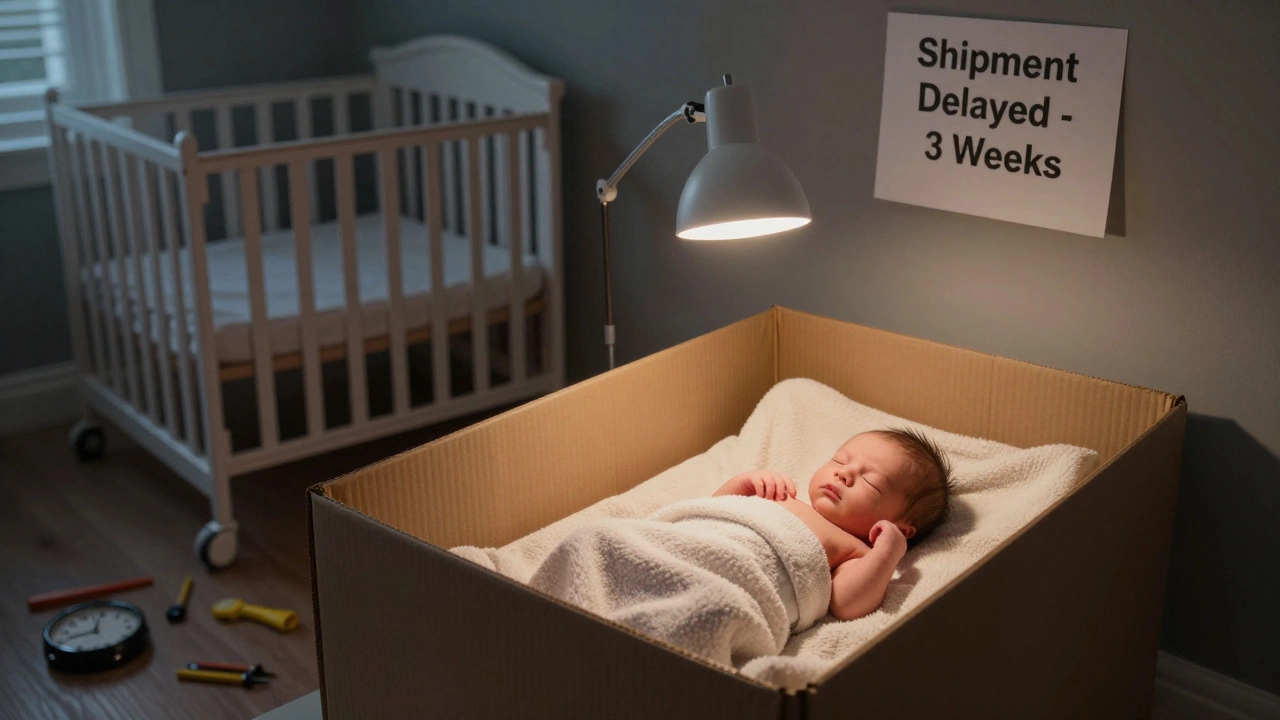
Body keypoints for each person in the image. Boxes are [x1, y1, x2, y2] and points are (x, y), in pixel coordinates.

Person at [713, 428, 953, 620]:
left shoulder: (856, 553)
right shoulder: (782, 497)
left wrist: (887, 554)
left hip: (735, 588)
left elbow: (847, 605)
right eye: (839, 461)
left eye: (871, 481)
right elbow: (713, 511)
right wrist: (743, 484)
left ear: (900, 529)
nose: (844, 473)